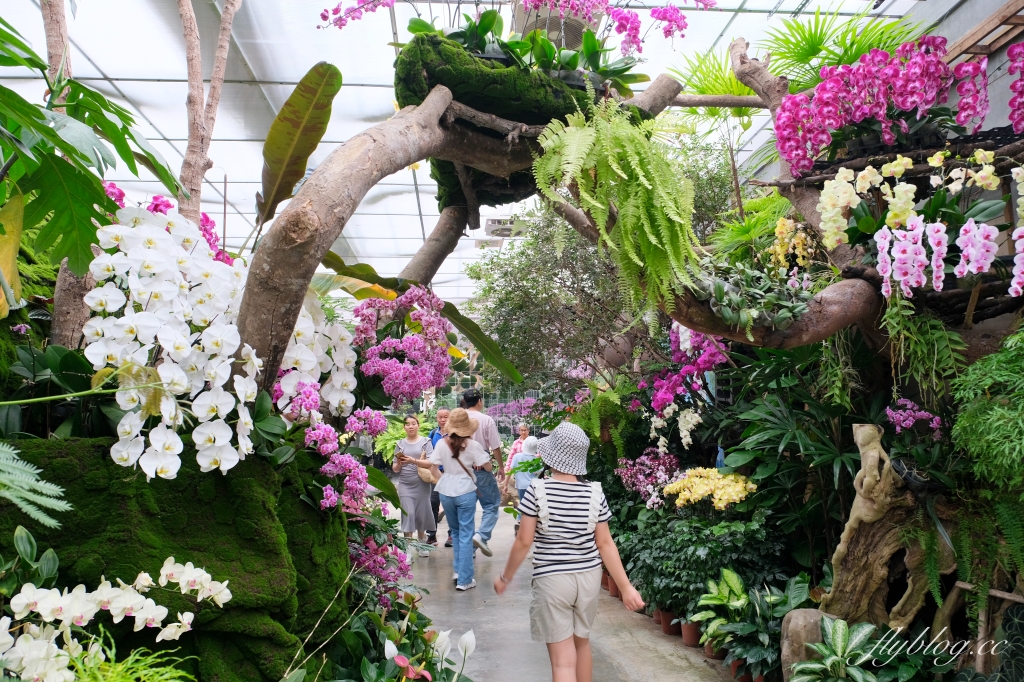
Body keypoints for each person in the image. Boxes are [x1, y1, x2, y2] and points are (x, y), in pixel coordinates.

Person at [493, 422, 644, 682]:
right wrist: (626, 587)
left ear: (551, 456)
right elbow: (605, 543)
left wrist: (506, 577)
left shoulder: (537, 490)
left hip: (553, 579)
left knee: (563, 664)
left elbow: (523, 541)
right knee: (582, 643)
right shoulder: (595, 492)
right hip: (588, 578)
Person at [406, 408, 491, 590]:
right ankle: (464, 579)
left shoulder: (442, 444)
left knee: (457, 532)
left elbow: (433, 468)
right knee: (466, 534)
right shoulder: (473, 445)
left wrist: (442, 479)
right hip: (466, 491)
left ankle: (458, 571)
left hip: (446, 492)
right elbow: (488, 467)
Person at [462, 388, 503, 557]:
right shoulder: (486, 420)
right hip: (481, 471)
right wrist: (501, 467)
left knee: (466, 512)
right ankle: (481, 535)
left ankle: (469, 550)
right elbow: (495, 446)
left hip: (461, 472)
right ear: (479, 401)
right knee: (491, 506)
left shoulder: (457, 418)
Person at [392, 414, 437, 557]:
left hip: (422, 484)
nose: (410, 426)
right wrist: (399, 463)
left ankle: (421, 542)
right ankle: (407, 549)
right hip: (405, 484)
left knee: (421, 514)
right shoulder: (400, 444)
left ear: (418, 425)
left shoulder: (426, 442)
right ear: (404, 427)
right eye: (407, 424)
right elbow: (395, 469)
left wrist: (413, 461)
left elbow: (430, 463)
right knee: (408, 514)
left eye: (413, 423)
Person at [427, 408, 451, 547]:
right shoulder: (433, 434)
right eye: (440, 417)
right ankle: (431, 535)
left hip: (451, 474)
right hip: (436, 475)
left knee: (450, 504)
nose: (442, 420)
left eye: (446, 417)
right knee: (433, 503)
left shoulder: (455, 435)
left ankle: (452, 534)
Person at [508, 435, 540, 504]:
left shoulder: (517, 456)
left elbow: (510, 471)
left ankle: (521, 515)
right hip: (533, 486)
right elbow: (539, 473)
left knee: (523, 506)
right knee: (532, 506)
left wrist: (505, 484)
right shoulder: (536, 460)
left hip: (521, 486)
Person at [503, 423, 531, 492]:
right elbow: (511, 456)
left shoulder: (532, 442)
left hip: (530, 469)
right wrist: (507, 467)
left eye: (525, 430)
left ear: (528, 431)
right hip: (519, 470)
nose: (523, 432)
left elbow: (537, 455)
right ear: (519, 431)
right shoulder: (516, 443)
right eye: (522, 430)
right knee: (521, 490)